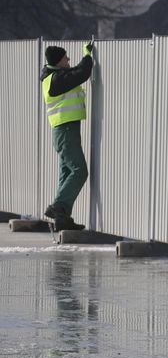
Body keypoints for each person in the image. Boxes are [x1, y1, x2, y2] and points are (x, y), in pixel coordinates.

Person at [40, 43, 94, 232]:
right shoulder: (56, 80)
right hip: (65, 130)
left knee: (66, 174)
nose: (68, 60)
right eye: (65, 58)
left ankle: (63, 220)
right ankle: (57, 207)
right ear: (58, 61)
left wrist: (85, 58)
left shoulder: (53, 76)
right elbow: (81, 73)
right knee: (80, 171)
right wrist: (88, 55)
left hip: (64, 130)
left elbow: (76, 72)